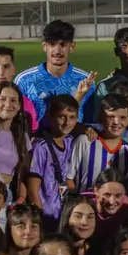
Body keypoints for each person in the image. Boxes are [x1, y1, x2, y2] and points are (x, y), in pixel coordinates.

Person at [67, 93, 128, 199]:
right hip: (86, 211)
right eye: (111, 117)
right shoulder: (84, 142)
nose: (116, 122)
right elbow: (68, 179)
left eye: (122, 117)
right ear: (101, 117)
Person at [14, 20, 96, 122]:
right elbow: (16, 119)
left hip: (75, 137)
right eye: (52, 44)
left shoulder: (85, 81)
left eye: (63, 44)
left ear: (72, 47)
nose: (57, 51)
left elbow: (90, 121)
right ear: (44, 46)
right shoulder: (24, 80)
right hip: (35, 137)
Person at [27, 95, 80, 228]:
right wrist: (39, 222)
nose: (67, 123)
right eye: (62, 116)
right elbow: (33, 191)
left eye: (72, 117)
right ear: (50, 116)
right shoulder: (41, 147)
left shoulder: (71, 142)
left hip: (65, 219)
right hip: (46, 218)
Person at [90, 28, 128, 128]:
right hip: (121, 141)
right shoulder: (105, 87)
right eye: (124, 46)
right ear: (116, 51)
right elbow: (98, 122)